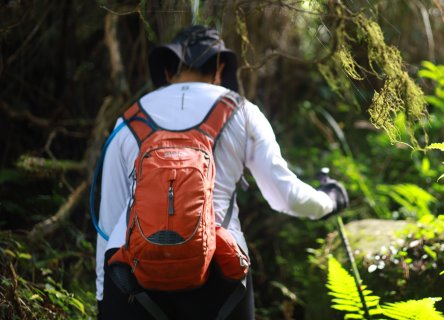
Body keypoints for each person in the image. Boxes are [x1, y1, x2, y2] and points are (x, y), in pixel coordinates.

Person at [95, 25, 349, 319]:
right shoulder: (242, 111)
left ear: (167, 71)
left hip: (130, 279)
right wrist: (330, 200)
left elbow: (109, 217)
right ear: (220, 68)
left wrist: (103, 297)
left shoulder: (128, 120)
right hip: (220, 276)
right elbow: (286, 197)